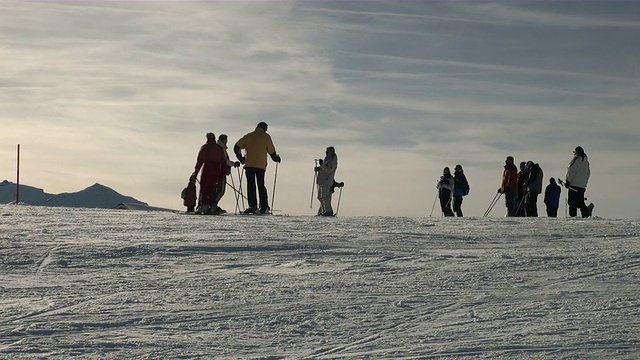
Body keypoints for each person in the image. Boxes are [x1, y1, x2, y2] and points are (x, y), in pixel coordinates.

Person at [233, 122, 281, 214]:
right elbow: (272, 152)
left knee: (251, 185)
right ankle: (264, 207)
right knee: (261, 185)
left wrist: (241, 159)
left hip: (249, 164)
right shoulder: (266, 136)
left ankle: (253, 206)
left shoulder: (249, 136)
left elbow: (236, 147)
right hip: (260, 165)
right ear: (265, 129)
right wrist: (276, 159)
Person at [193, 132, 226, 214]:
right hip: (216, 170)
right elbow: (223, 161)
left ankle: (204, 206)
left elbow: (200, 160)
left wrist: (195, 172)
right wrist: (224, 172)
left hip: (207, 168)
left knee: (204, 187)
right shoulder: (219, 148)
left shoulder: (205, 147)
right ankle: (213, 207)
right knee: (212, 188)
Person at [214, 134, 240, 214]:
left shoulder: (218, 148)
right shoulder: (221, 149)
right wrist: (234, 164)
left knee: (217, 190)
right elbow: (225, 161)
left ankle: (213, 205)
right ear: (224, 140)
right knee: (220, 191)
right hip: (221, 172)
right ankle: (213, 205)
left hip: (217, 171)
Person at [565, 146, 591, 218]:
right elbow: (588, 173)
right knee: (580, 201)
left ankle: (573, 216)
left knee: (572, 202)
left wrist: (568, 181)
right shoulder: (586, 162)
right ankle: (585, 214)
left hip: (573, 185)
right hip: (582, 186)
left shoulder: (575, 160)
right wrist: (585, 183)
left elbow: (571, 171)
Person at [314, 146, 338, 216]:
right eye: (326, 151)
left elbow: (329, 170)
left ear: (332, 152)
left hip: (327, 181)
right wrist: (318, 168)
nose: (326, 152)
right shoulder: (327, 159)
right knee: (320, 197)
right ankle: (324, 210)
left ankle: (328, 211)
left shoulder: (333, 161)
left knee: (326, 197)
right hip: (322, 180)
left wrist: (322, 165)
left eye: (328, 151)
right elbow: (324, 168)